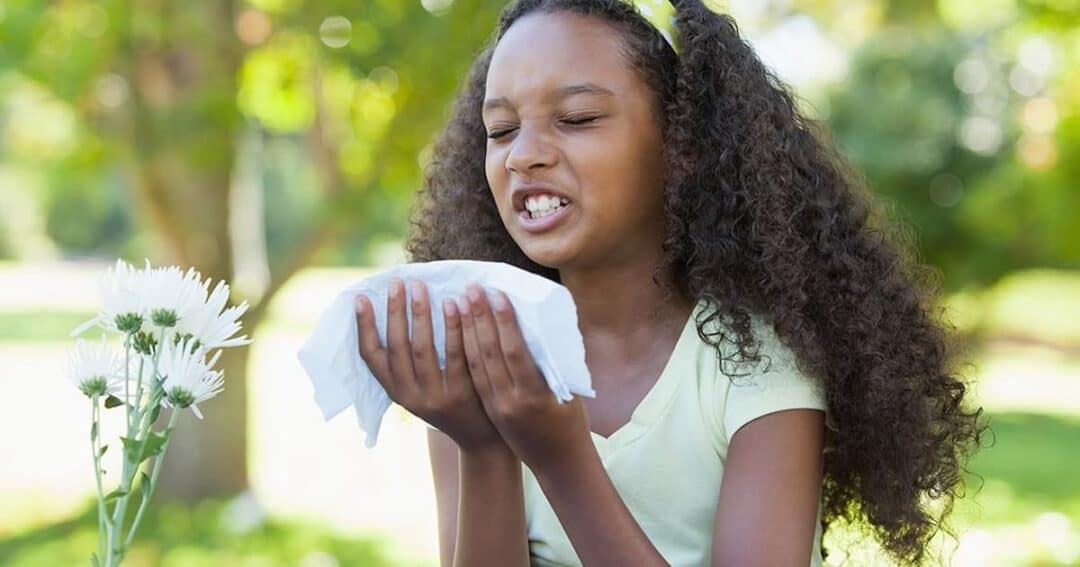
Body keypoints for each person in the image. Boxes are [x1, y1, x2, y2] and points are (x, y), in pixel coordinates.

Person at [354, 0, 988, 565]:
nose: (524, 154)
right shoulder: (483, 352)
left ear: (683, 145)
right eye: (501, 130)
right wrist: (485, 448)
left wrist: (560, 458)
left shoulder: (756, 367)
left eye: (575, 118)